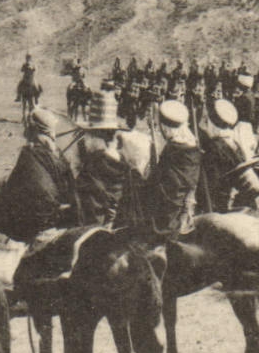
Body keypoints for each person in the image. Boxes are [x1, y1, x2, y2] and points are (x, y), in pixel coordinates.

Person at [0, 108, 84, 243]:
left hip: (42, 219)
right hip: (66, 214)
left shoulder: (29, 154)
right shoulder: (57, 153)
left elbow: (19, 190)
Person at [126, 99, 201, 242]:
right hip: (184, 194)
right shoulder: (191, 145)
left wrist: (138, 176)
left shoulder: (174, 148)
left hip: (169, 202)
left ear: (166, 128)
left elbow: (165, 181)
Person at [75, 91, 143, 227]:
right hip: (121, 224)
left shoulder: (92, 163)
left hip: (93, 227)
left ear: (95, 134)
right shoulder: (123, 161)